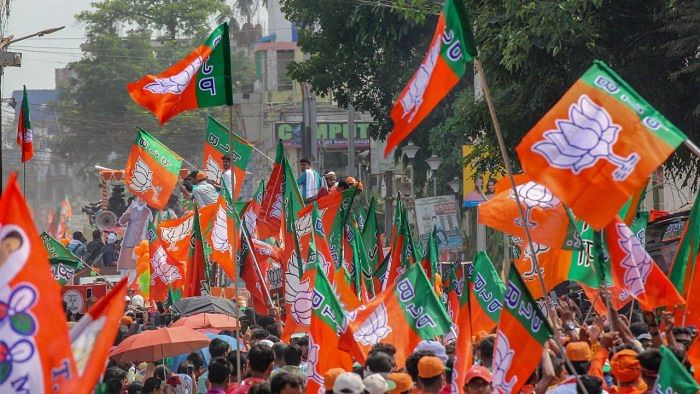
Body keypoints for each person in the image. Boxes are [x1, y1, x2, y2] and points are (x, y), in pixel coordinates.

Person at [118, 197, 152, 270]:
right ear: (137, 199)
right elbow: (121, 222)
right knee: (126, 266)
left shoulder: (148, 211)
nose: (141, 200)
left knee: (139, 266)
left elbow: (150, 226)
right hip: (129, 240)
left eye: (143, 199)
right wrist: (127, 213)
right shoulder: (131, 209)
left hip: (141, 241)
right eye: (139, 199)